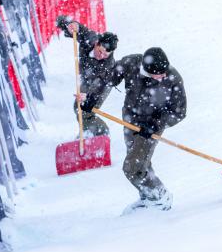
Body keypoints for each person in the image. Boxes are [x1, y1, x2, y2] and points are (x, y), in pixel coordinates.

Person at [81, 47, 186, 212]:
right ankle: (147, 196)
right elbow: (107, 78)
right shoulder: (131, 63)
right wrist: (92, 97)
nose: (163, 76)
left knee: (132, 167)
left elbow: (179, 112)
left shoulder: (172, 78)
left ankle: (159, 197)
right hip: (130, 119)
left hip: (152, 126)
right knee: (140, 160)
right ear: (147, 69)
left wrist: (155, 125)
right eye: (159, 74)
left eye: (165, 72)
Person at [56, 15, 118, 137]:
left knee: (86, 109)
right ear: (96, 43)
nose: (102, 56)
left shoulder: (108, 64)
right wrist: (71, 25)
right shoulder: (90, 38)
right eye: (100, 52)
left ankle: (101, 132)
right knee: (78, 107)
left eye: (106, 55)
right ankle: (89, 132)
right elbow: (80, 29)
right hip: (86, 78)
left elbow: (99, 85)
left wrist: (88, 97)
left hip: (103, 84)